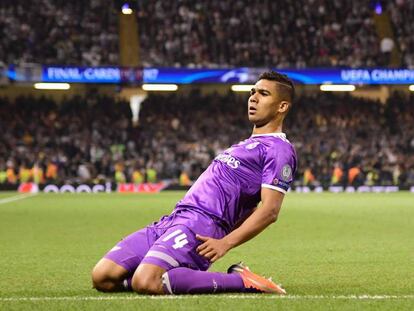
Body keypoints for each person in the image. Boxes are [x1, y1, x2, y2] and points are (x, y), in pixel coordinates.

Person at [92, 70, 297, 295]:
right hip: (173, 219)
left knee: (146, 282)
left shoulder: (278, 150)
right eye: (252, 92)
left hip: (201, 225)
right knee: (103, 276)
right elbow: (249, 207)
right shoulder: (245, 144)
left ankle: (243, 281)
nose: (253, 98)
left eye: (264, 94)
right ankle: (171, 277)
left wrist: (225, 242)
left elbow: (270, 210)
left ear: (282, 107)